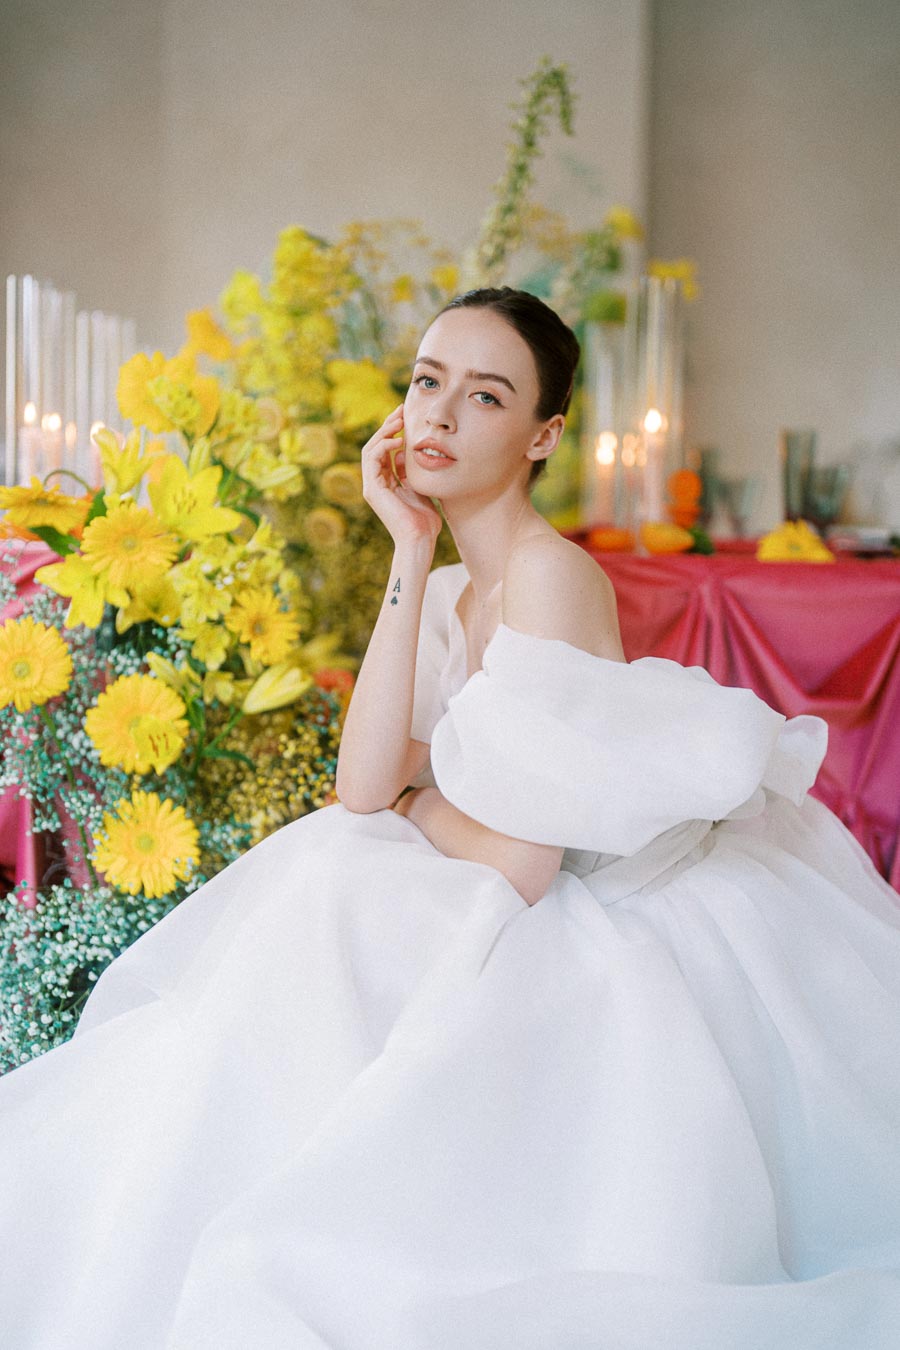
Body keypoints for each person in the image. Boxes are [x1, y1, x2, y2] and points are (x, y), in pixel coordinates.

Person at [1, 287, 899, 1350]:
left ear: (542, 436)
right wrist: (407, 550)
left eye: (485, 397)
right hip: (507, 865)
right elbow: (363, 781)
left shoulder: (548, 577)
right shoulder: (447, 585)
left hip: (600, 900)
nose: (437, 415)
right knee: (330, 865)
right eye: (428, 382)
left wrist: (424, 794)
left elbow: (524, 854)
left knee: (334, 880)